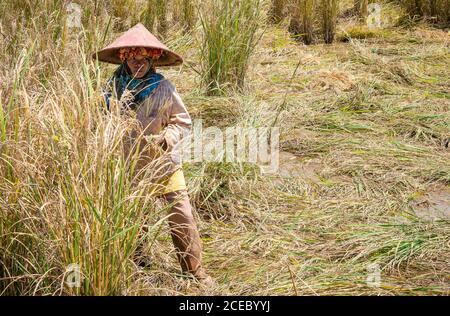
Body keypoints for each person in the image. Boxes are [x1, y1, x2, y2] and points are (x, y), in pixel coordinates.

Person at [92, 23, 214, 286]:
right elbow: (99, 122)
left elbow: (183, 121)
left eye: (144, 59)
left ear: (152, 60)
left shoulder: (164, 88)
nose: (139, 64)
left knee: (181, 216)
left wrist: (167, 138)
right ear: (125, 59)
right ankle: (137, 261)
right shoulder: (112, 90)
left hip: (164, 165)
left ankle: (195, 272)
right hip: (129, 166)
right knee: (135, 218)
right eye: (133, 58)